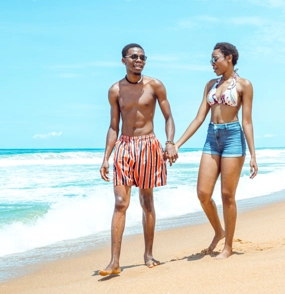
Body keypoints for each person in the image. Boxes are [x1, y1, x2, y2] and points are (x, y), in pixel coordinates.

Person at [98, 43, 178, 276]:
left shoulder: (155, 85)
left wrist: (170, 142)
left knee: (147, 201)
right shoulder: (115, 90)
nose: (139, 60)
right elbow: (113, 126)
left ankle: (148, 253)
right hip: (124, 145)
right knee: (120, 203)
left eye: (142, 57)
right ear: (124, 60)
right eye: (134, 57)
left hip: (148, 145)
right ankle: (114, 262)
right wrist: (106, 157)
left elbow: (168, 116)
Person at [175, 42, 258, 259]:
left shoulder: (244, 85)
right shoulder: (210, 85)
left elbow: (247, 122)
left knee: (227, 195)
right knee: (203, 193)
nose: (212, 64)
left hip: (233, 138)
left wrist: (253, 156)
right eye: (211, 60)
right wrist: (177, 144)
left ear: (229, 58)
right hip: (212, 137)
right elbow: (199, 117)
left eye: (215, 59)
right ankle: (218, 231)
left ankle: (228, 246)